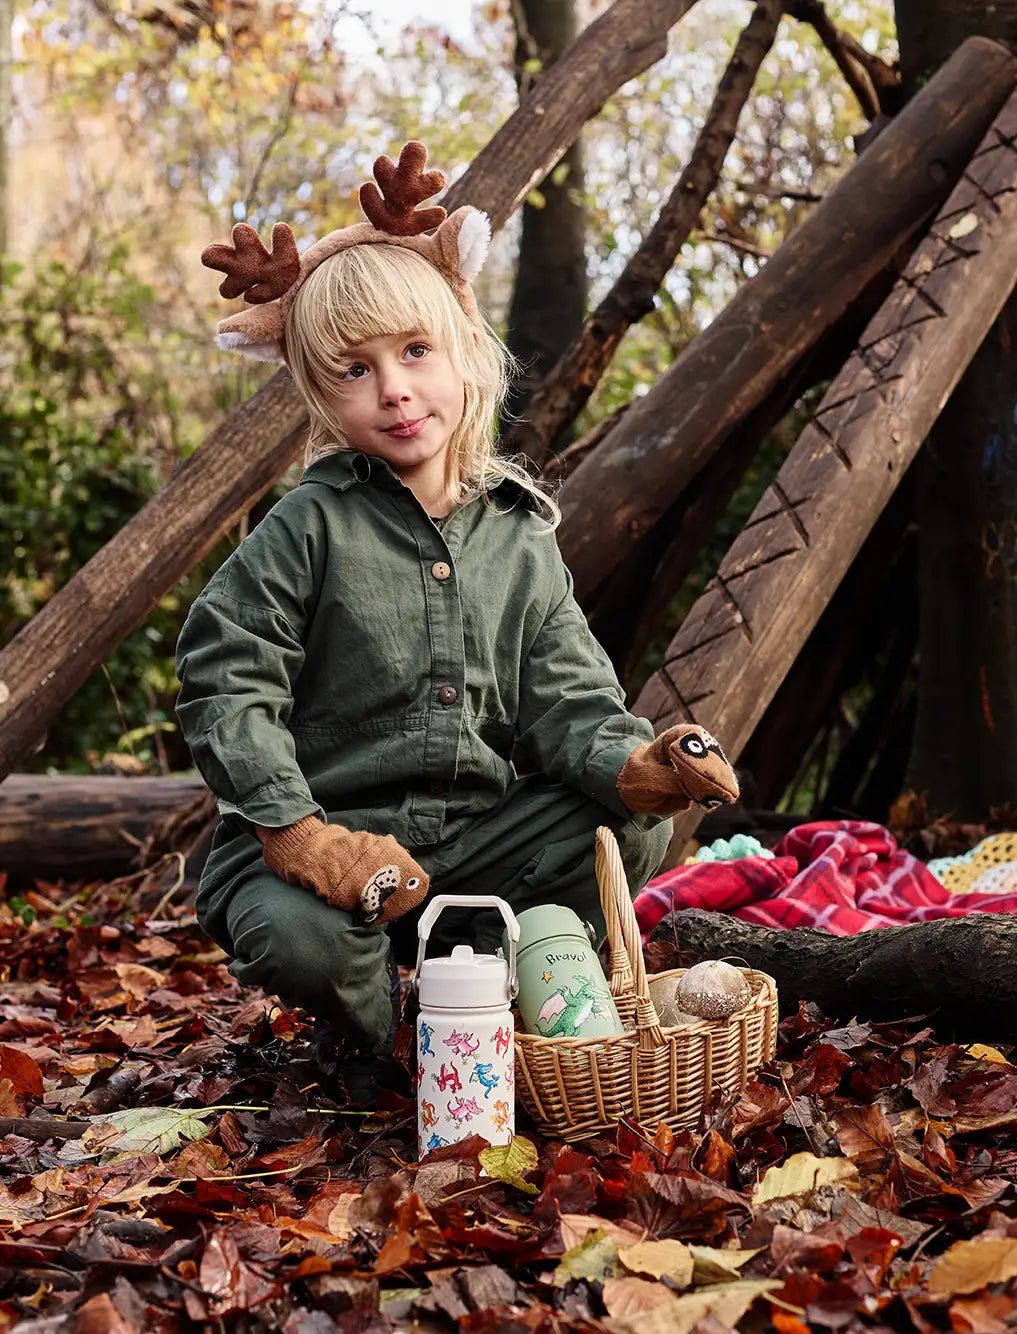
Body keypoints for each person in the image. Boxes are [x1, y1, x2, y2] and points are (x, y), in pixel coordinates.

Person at [175, 142, 739, 1100]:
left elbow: (569, 701)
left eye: (414, 352)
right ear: (321, 395)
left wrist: (634, 764)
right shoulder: (309, 526)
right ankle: (380, 1042)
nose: (393, 389)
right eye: (354, 371)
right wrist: (303, 836)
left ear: (462, 347)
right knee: (294, 935)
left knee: (630, 828)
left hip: (475, 845)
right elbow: (228, 675)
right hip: (331, 855)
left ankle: (504, 983)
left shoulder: (518, 540)